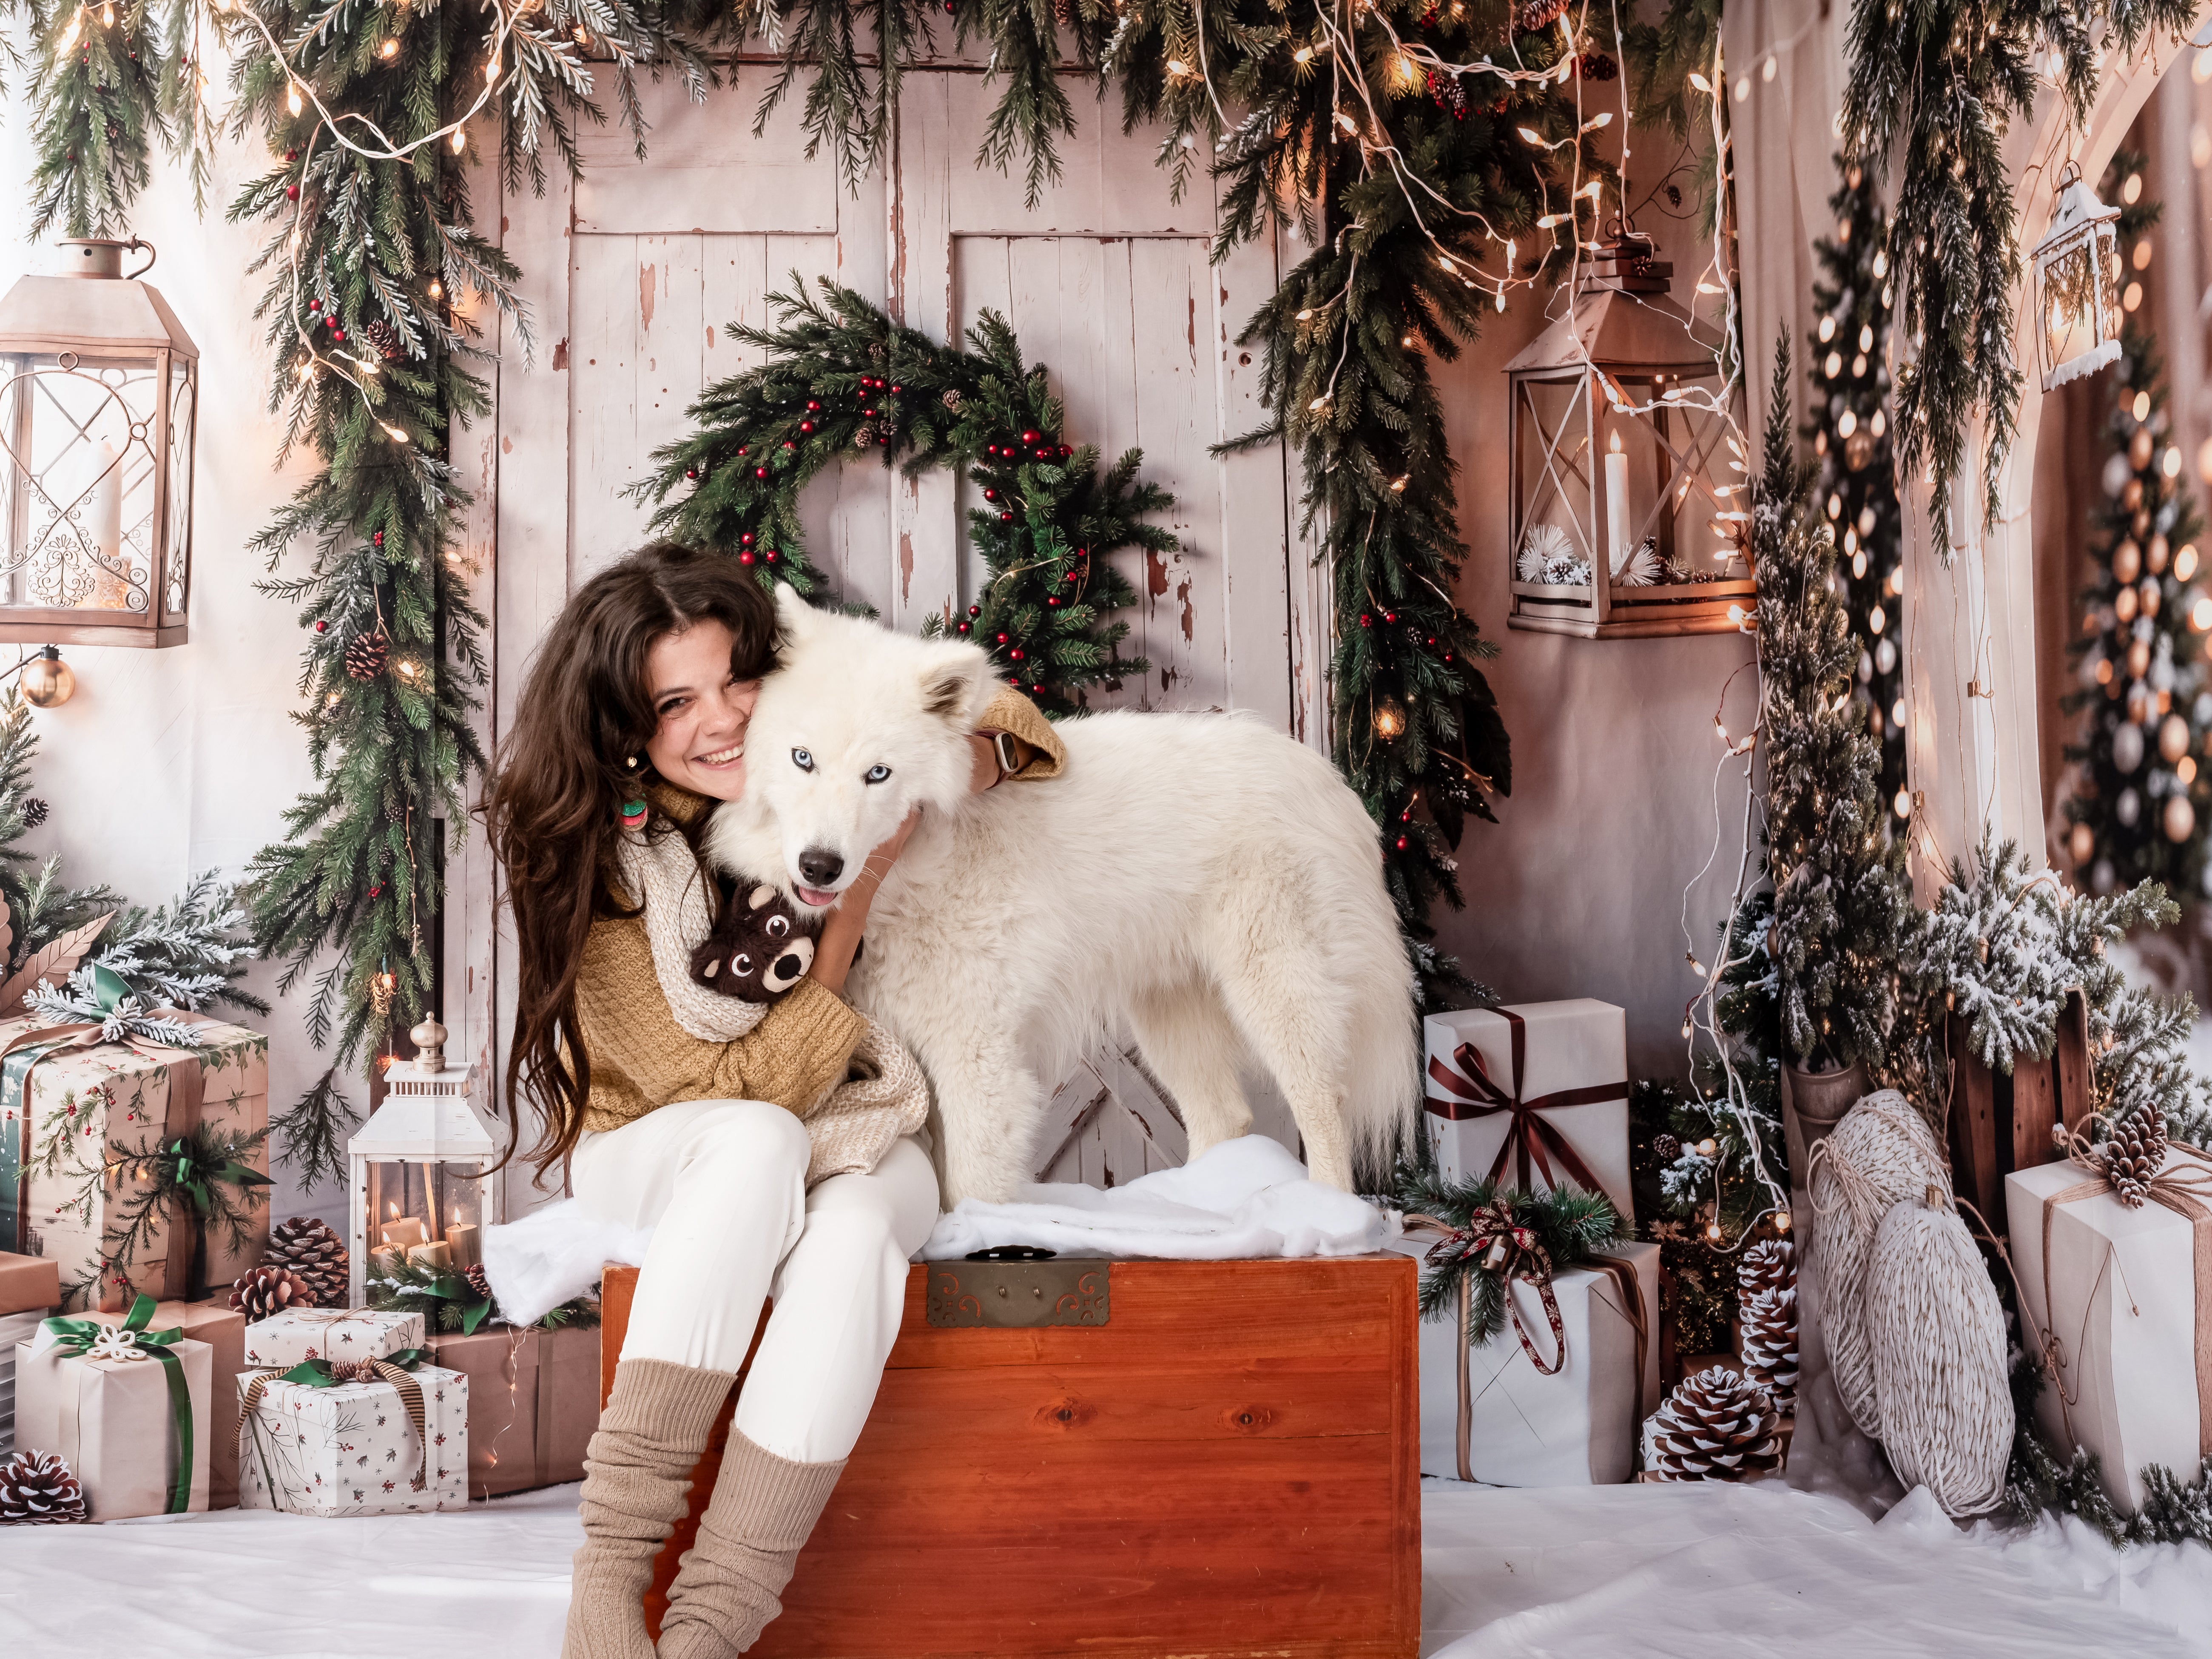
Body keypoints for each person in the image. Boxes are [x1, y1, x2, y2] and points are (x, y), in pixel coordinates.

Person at [481, 541, 1062, 1659]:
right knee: (752, 1139)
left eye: (736, 682)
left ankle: (708, 1632)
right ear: (623, 724)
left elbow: (1025, 729)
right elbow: (740, 1082)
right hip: (660, 1134)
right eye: (675, 702)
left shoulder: (816, 764)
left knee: (854, 1243)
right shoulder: (610, 843)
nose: (722, 723)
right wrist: (862, 882)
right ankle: (606, 1584)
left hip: (852, 1120)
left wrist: (939, 761)